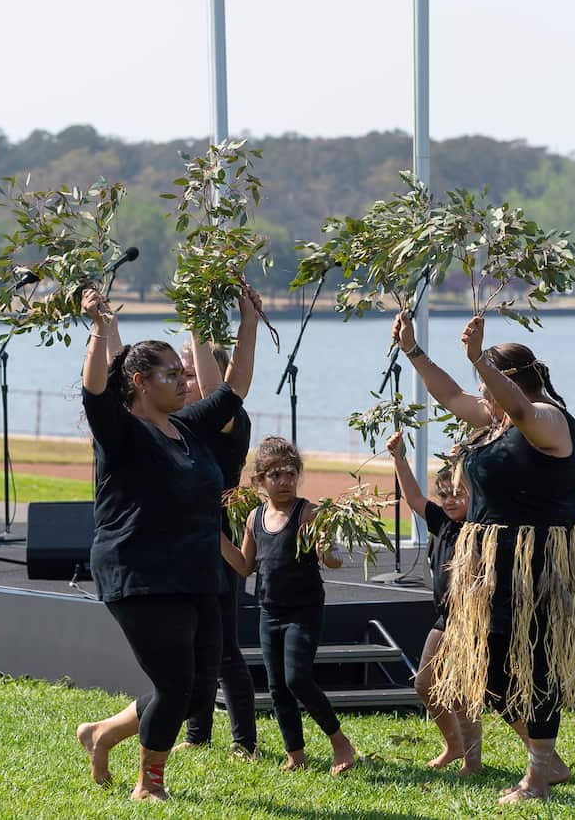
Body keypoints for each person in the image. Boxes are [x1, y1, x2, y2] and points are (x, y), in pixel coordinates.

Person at [392, 311, 575, 804]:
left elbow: (519, 411)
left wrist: (479, 358)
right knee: (488, 668)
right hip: (490, 567)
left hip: (537, 565)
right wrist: (414, 351)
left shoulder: (546, 419)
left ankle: (539, 778)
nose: (481, 400)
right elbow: (450, 396)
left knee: (537, 664)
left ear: (514, 383)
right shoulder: (497, 419)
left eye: (490, 386)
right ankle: (547, 763)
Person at [74, 285, 260, 802]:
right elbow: (95, 390)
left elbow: (234, 390)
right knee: (175, 683)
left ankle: (101, 733)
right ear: (138, 382)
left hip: (196, 571)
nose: (184, 381)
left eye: (183, 373)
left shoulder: (188, 427)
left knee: (199, 689)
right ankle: (148, 785)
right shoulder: (122, 432)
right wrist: (98, 326)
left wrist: (247, 323)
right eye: (171, 374)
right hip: (139, 571)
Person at [222, 436, 356, 775]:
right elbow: (244, 566)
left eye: (290, 474)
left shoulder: (306, 513)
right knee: (277, 686)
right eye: (275, 475)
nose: (284, 481)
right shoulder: (254, 518)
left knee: (297, 678)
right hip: (270, 610)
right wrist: (216, 536)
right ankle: (294, 753)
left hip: (304, 609)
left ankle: (340, 742)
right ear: (260, 480)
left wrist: (328, 547)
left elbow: (333, 560)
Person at [175, 339, 258, 759]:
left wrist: (196, 326)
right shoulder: (183, 423)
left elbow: (216, 394)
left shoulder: (229, 420)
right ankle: (197, 734)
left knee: (224, 646)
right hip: (188, 537)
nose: (181, 382)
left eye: (186, 374)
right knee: (194, 645)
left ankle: (245, 742)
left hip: (218, 537)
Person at [384, 430, 480, 775]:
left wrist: (465, 459)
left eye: (459, 493)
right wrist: (398, 458)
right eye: (446, 495)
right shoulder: (441, 523)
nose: (451, 500)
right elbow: (412, 497)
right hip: (444, 619)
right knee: (425, 683)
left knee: (463, 694)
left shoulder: (479, 526)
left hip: (471, 620)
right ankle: (453, 745)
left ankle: (473, 761)